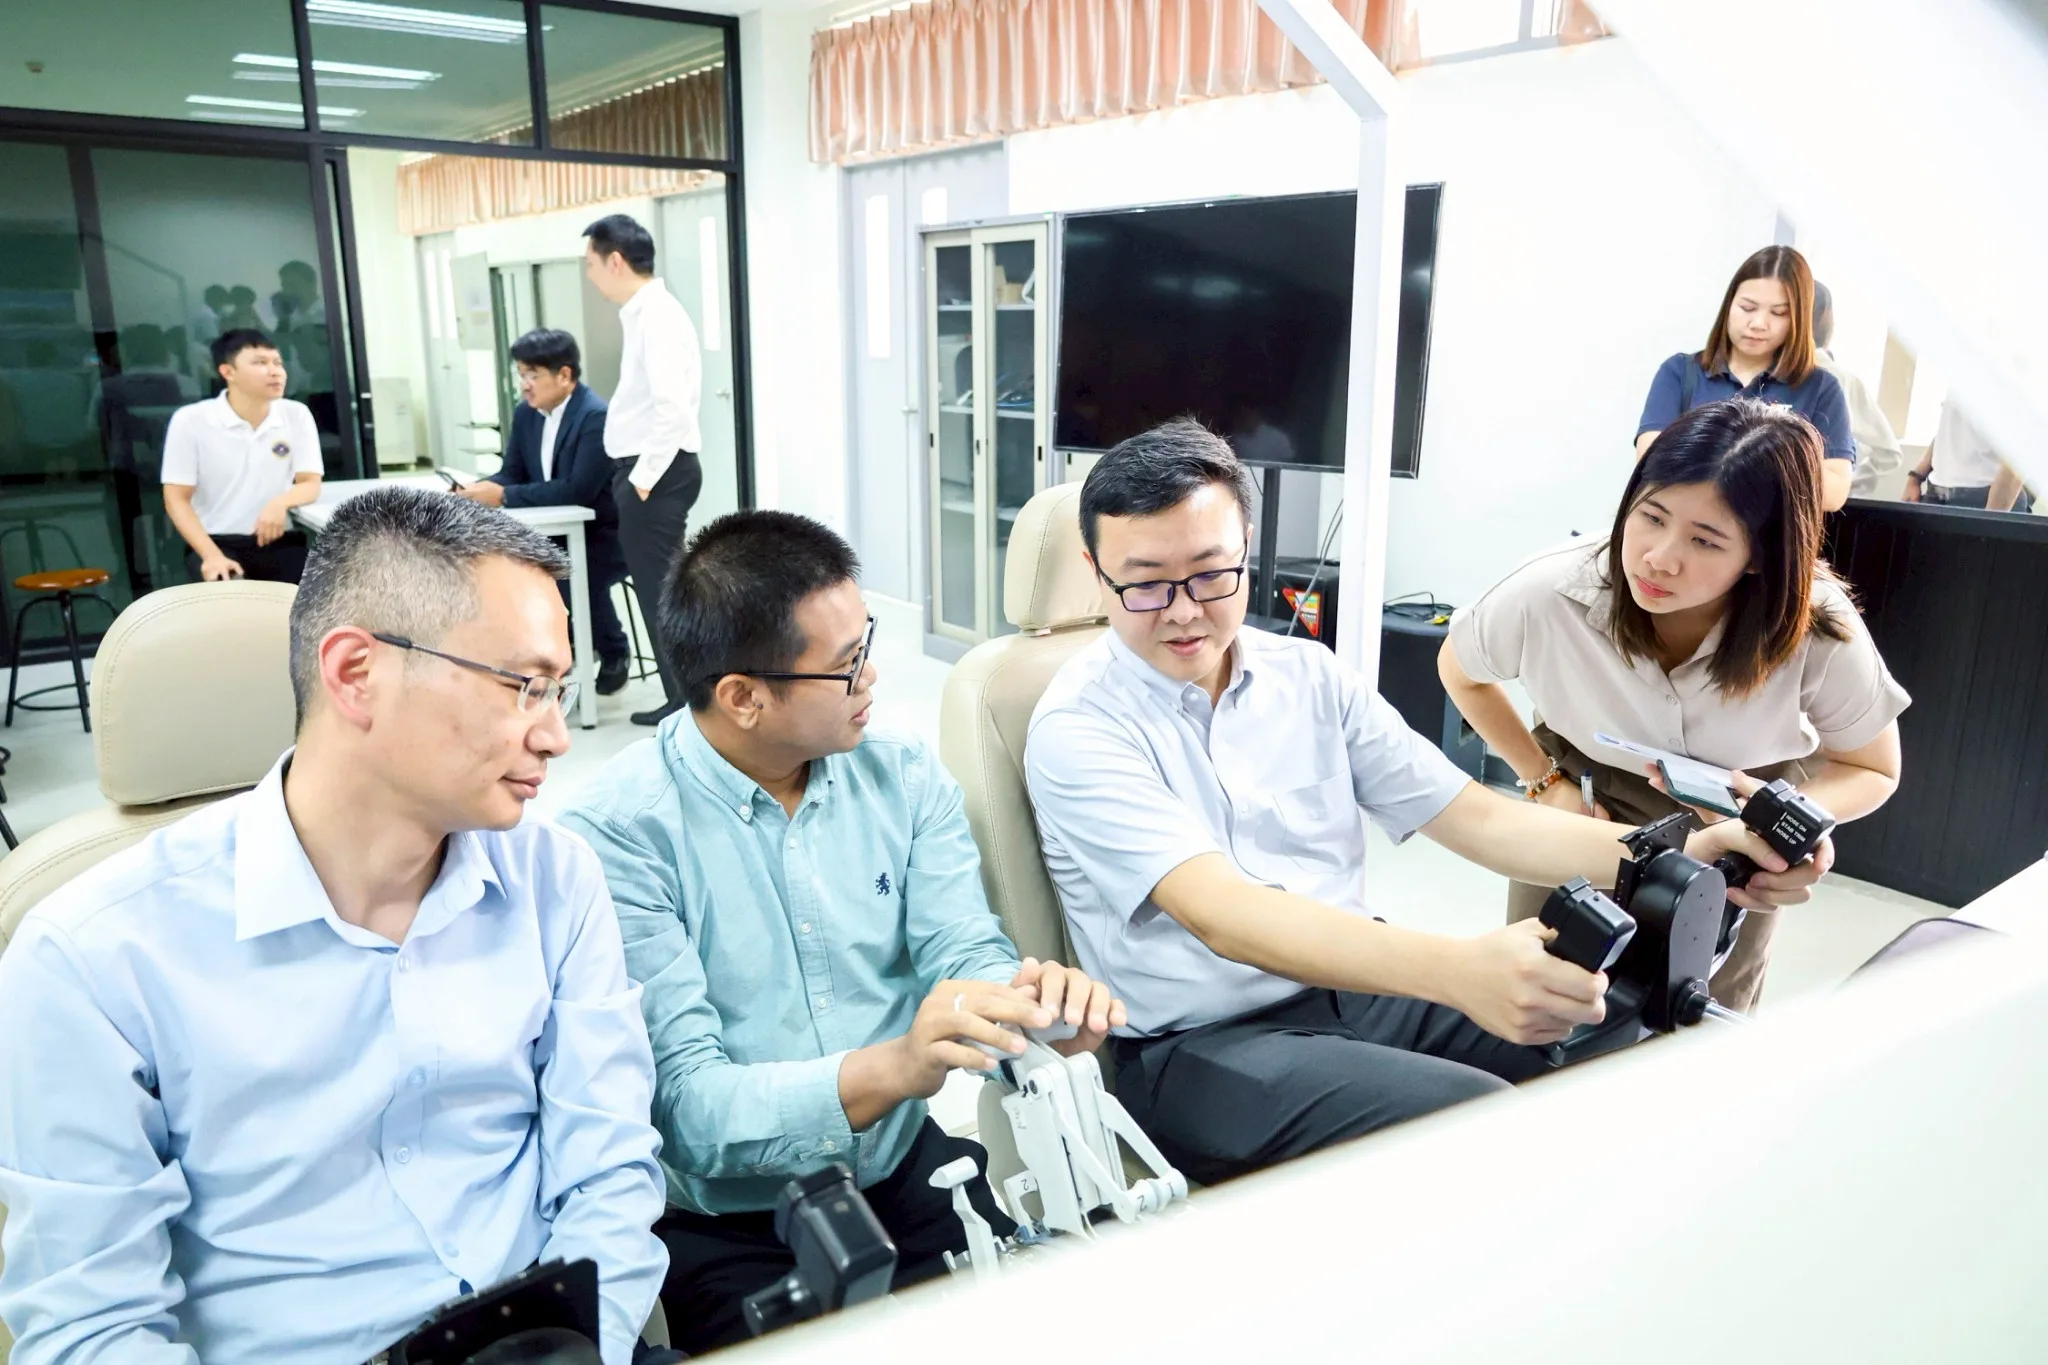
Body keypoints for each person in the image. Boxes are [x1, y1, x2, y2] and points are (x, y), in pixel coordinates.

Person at [1022, 419, 1834, 1189]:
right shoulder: (1080, 726)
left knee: (1618, 1008)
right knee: (1477, 1121)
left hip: (1355, 990)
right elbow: (1224, 915)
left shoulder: (1308, 677)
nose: (1184, 610)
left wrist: (1684, 848)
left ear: (1247, 547)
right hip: (1200, 1047)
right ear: (1097, 572)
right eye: (1146, 584)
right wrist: (1459, 970)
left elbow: (1478, 815)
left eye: (1210, 574)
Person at [0, 488, 669, 1363]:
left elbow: (609, 1173)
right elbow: (94, 1327)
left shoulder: (554, 877)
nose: (556, 735)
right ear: (356, 673)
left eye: (560, 691)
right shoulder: (94, 956)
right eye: (526, 687)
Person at [560, 510, 1125, 1354]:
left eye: (866, 645)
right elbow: (688, 1108)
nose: (871, 676)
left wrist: (1027, 1008)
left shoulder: (901, 774)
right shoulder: (619, 836)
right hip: (733, 1221)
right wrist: (897, 1064)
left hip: (899, 1164)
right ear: (743, 697)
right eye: (845, 664)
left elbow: (961, 949)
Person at [1441, 398, 1908, 1012]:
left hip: (1733, 818)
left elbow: (1872, 767)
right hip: (1586, 799)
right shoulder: (1549, 589)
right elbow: (1460, 672)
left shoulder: (1815, 623)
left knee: (1703, 1013)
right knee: (1547, 995)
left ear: (1761, 553)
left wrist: (1780, 823)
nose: (1659, 558)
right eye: (1651, 516)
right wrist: (1544, 780)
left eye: (1705, 540)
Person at [456, 327, 633, 696]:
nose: (524, 386)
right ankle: (551, 656)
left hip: (603, 535)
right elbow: (512, 472)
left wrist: (503, 495)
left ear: (564, 375)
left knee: (567, 571)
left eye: (532, 375)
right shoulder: (528, 414)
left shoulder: (595, 417)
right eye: (521, 375)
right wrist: (478, 490)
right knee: (511, 569)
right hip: (551, 532)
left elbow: (577, 490)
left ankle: (612, 649)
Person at [584, 212, 703, 728]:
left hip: (657, 473)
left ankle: (687, 704)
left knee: (662, 595)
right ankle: (684, 699)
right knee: (662, 592)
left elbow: (672, 409)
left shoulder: (656, 316)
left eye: (591, 264)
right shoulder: (644, 313)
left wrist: (643, 478)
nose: (590, 275)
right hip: (652, 472)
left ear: (615, 261)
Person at [1636, 245, 1858, 512]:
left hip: (1771, 536)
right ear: (1729, 305)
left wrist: (1722, 461)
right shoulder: (1680, 372)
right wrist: (1778, 465)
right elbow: (1651, 464)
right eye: (1747, 307)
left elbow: (1833, 494)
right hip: (1689, 528)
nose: (1758, 323)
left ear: (1798, 319)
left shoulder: (1821, 388)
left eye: (1778, 313)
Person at [160, 328, 323, 584]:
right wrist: (211, 556)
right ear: (228, 372)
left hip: (280, 540)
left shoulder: (296, 414)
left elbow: (310, 483)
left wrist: (279, 503)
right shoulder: (191, 420)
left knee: (317, 596)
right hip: (216, 543)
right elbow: (176, 498)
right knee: (231, 595)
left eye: (278, 363)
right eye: (260, 363)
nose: (275, 371)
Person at [1809, 280, 1905, 499]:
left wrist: (1844, 487)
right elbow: (1888, 453)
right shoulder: (1841, 378)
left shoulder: (1837, 378)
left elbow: (1888, 453)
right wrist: (1852, 487)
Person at [1905, 397, 2033, 513]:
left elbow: (2021, 449)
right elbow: (1950, 426)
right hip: (1937, 492)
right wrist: (1915, 478)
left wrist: (1992, 517)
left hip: (1986, 498)